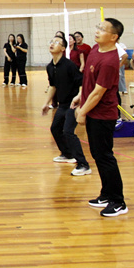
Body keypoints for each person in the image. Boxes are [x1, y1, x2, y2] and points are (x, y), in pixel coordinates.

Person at [72, 18, 128, 217]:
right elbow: (89, 80)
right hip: (92, 110)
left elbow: (98, 93)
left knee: (105, 157)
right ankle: (106, 194)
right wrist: (80, 95)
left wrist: (82, 112)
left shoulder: (110, 62)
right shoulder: (96, 49)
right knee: (97, 155)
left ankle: (118, 201)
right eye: (98, 27)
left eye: (102, 29)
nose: (97, 31)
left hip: (103, 115)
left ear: (114, 37)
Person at [41, 36, 90, 176]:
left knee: (68, 132)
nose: (52, 44)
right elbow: (53, 86)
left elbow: (82, 83)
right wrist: (46, 103)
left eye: (57, 42)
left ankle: (83, 164)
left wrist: (78, 97)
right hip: (62, 104)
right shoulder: (50, 67)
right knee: (55, 129)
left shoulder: (69, 65)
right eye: (51, 41)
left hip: (73, 104)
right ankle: (68, 154)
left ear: (63, 48)